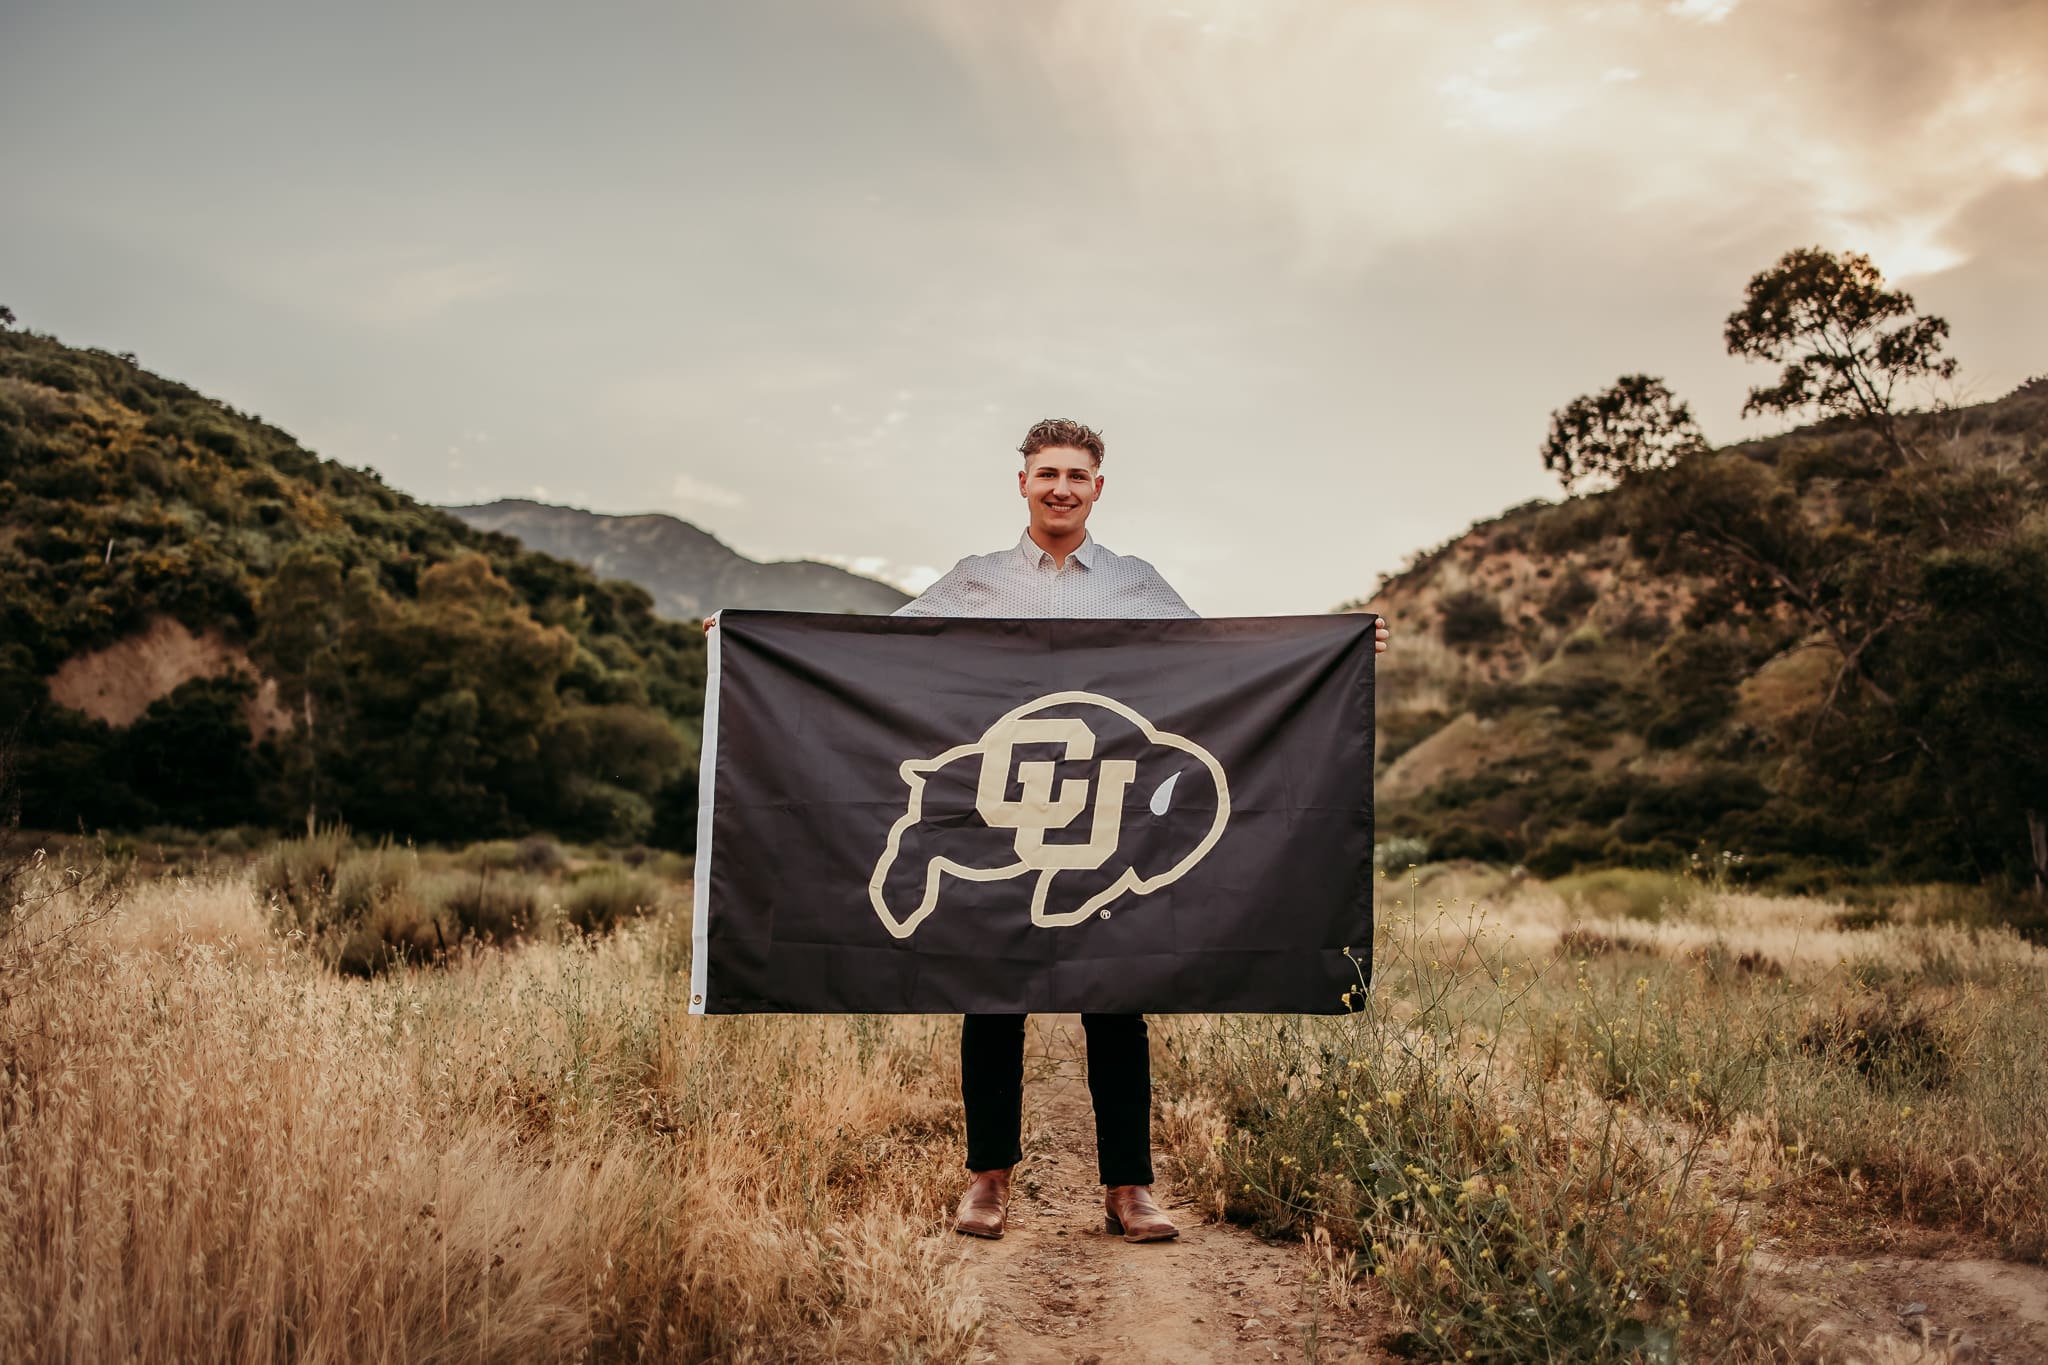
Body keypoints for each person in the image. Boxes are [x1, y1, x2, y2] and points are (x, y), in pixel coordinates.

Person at [709, 417, 1391, 1244]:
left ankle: (1129, 1188)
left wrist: (1341, 649)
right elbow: (878, 654)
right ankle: (987, 1180)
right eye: (1046, 473)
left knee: (1119, 1002)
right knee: (990, 999)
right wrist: (749, 645)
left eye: (1076, 473)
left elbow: (1222, 665)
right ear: (1022, 483)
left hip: (1107, 823)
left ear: (1099, 486)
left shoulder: (1138, 584)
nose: (1061, 486)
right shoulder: (975, 582)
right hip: (1003, 806)